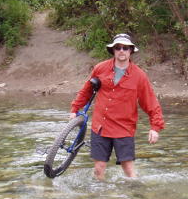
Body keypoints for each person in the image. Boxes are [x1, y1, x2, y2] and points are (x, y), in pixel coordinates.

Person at [70, 33, 165, 180]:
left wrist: (155, 127)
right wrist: (75, 109)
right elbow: (87, 91)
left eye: (125, 48)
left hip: (124, 128)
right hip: (100, 126)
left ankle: (135, 198)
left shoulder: (139, 76)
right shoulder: (100, 68)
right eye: (118, 47)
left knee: (128, 170)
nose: (121, 50)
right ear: (113, 50)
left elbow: (150, 102)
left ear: (130, 51)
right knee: (98, 169)